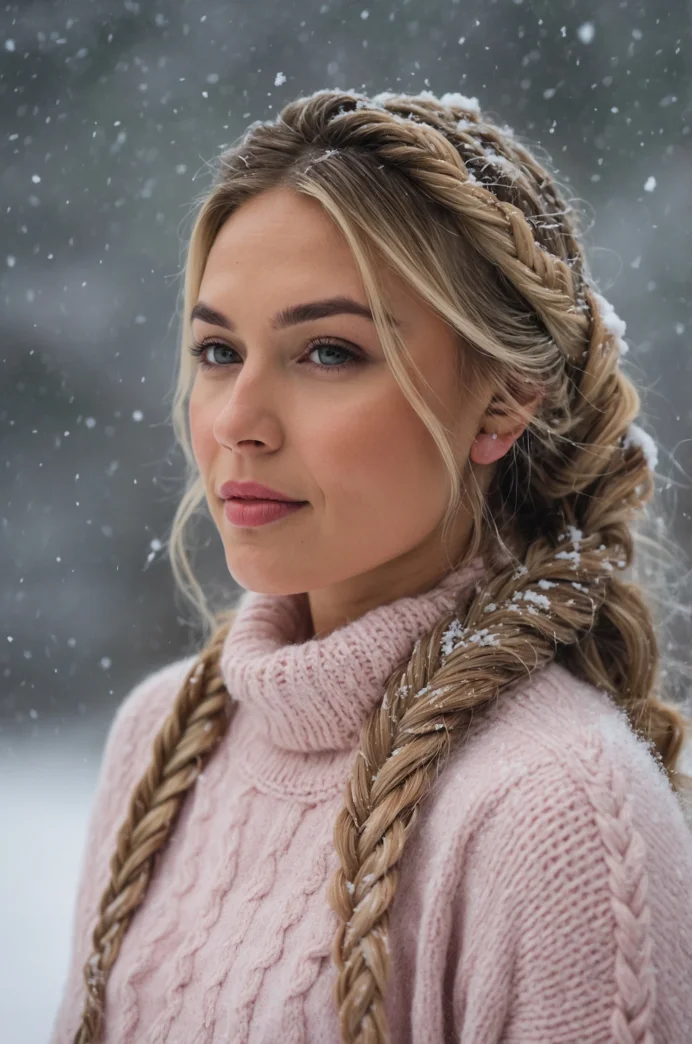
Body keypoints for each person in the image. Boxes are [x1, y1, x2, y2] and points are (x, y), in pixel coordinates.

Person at [51, 88, 692, 1044]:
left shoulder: (556, 813)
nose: (237, 421)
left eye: (328, 352)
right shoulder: (161, 745)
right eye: (219, 351)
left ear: (502, 404)